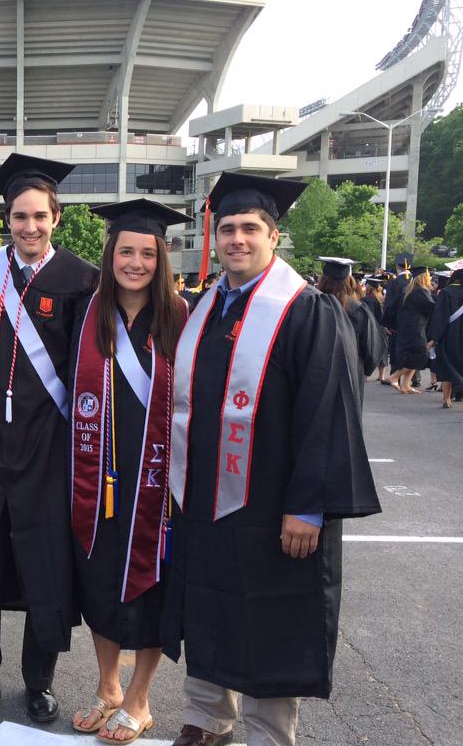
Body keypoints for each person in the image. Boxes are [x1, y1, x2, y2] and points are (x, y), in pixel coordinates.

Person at [163, 173, 380, 746]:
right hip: (208, 496)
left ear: (273, 236)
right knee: (207, 602)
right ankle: (209, 717)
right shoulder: (206, 308)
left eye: (249, 229)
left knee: (272, 615)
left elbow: (328, 412)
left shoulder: (306, 310)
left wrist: (307, 506)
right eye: (228, 228)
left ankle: (266, 730)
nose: (237, 239)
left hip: (274, 504)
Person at [0, 154, 99, 727]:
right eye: (17, 217)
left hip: (48, 449)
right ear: (5, 219)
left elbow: (89, 367)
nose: (28, 227)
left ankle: (40, 683)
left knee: (43, 565)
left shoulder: (81, 279)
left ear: (56, 218)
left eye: (39, 216)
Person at [68, 200, 191, 744]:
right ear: (110, 254)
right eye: (125, 251)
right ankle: (108, 687)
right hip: (98, 482)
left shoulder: (182, 317)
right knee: (99, 587)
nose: (135, 262)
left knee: (152, 593)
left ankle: (140, 700)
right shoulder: (87, 314)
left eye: (147, 252)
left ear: (161, 258)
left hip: (158, 488)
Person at [316, 257, 383, 405]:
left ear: (323, 279)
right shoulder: (358, 309)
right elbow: (372, 348)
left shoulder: (311, 305)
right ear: (348, 281)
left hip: (314, 373)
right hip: (350, 372)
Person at [393, 266, 435, 395]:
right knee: (420, 356)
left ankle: (405, 385)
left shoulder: (410, 290)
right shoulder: (421, 292)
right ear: (424, 278)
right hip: (417, 329)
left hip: (408, 328)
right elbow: (431, 308)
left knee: (413, 355)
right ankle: (394, 377)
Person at [428, 268, 463, 408]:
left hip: (451, 335)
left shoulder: (446, 292)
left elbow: (440, 317)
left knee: (449, 365)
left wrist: (433, 338)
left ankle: (447, 398)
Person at [380, 253, 412, 384]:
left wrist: (387, 324)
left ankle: (395, 376)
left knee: (396, 348)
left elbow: (389, 305)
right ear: (409, 266)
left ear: (396, 266)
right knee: (411, 348)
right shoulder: (417, 280)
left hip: (397, 322)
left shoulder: (394, 283)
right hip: (414, 322)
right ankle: (413, 378)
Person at [362, 276, 390, 383]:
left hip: (370, 327)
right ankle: (381, 375)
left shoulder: (366, 299)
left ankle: (366, 375)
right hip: (381, 327)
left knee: (368, 349)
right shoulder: (382, 298)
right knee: (382, 350)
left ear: (369, 287)